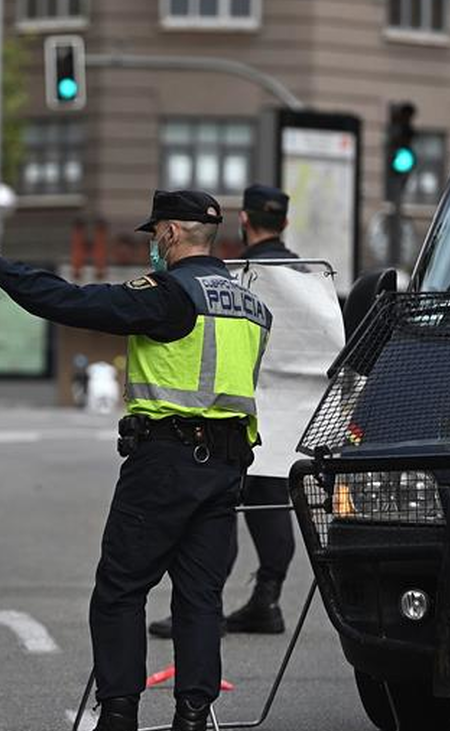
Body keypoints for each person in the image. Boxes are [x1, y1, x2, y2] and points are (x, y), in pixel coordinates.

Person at [0, 192, 272, 731]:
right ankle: (193, 715)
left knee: (121, 589)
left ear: (168, 234)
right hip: (227, 468)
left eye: (153, 236)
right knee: (200, 598)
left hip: (165, 461)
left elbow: (66, 301)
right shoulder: (253, 307)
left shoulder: (168, 295)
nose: (151, 248)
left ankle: (119, 713)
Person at [149, 184, 297, 640]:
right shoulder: (307, 276)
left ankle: (202, 606)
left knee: (221, 507)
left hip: (230, 408)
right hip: (290, 409)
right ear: (285, 224)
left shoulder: (233, 276)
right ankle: (267, 598)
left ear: (245, 222)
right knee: (272, 499)